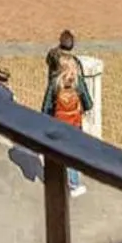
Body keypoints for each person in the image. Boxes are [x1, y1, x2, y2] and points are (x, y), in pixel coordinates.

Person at [42, 33, 92, 197]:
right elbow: (88, 102)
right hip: (74, 122)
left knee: (56, 151)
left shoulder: (54, 80)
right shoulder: (77, 81)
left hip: (57, 120)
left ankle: (55, 179)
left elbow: (46, 106)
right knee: (72, 153)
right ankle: (74, 184)